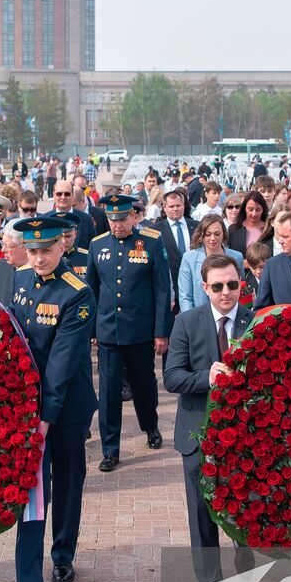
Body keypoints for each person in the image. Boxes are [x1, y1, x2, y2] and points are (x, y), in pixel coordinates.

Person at [0, 216, 98, 582]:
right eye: (34, 250)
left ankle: (62, 553)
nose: (39, 258)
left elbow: (61, 362)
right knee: (31, 487)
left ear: (63, 247)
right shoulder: (19, 279)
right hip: (26, 405)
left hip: (66, 406)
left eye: (47, 250)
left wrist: (46, 415)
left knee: (68, 479)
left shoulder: (77, 293)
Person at [164, 253, 256, 582]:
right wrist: (208, 377)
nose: (226, 293)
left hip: (245, 434)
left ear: (241, 284)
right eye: (217, 287)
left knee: (244, 504)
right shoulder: (187, 322)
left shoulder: (255, 321)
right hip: (197, 432)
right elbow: (172, 377)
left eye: (232, 284)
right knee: (202, 515)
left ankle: (244, 552)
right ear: (205, 288)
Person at [86, 195, 173, 472]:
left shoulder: (150, 242)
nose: (117, 225)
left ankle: (150, 426)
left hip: (140, 331)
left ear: (133, 217)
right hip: (109, 332)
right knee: (109, 394)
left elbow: (161, 289)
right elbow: (92, 290)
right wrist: (93, 328)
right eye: (112, 219)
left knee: (144, 385)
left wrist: (161, 331)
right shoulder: (97, 245)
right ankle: (110, 450)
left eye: (122, 219)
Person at [177, 214, 244, 312]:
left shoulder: (237, 257)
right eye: (208, 234)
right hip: (199, 317)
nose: (213, 238)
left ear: (223, 234)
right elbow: (185, 297)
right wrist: (191, 321)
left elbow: (240, 289)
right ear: (201, 234)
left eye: (217, 234)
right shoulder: (189, 258)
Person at [158, 190, 192, 310]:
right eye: (171, 206)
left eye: (178, 205)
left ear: (184, 206)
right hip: (168, 288)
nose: (175, 209)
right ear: (165, 208)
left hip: (194, 287)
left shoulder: (197, 227)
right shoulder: (154, 230)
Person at [226, 190, 273, 257]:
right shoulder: (233, 229)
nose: (254, 214)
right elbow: (229, 254)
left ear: (263, 209)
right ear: (244, 208)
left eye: (258, 210)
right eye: (250, 209)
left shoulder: (270, 229)